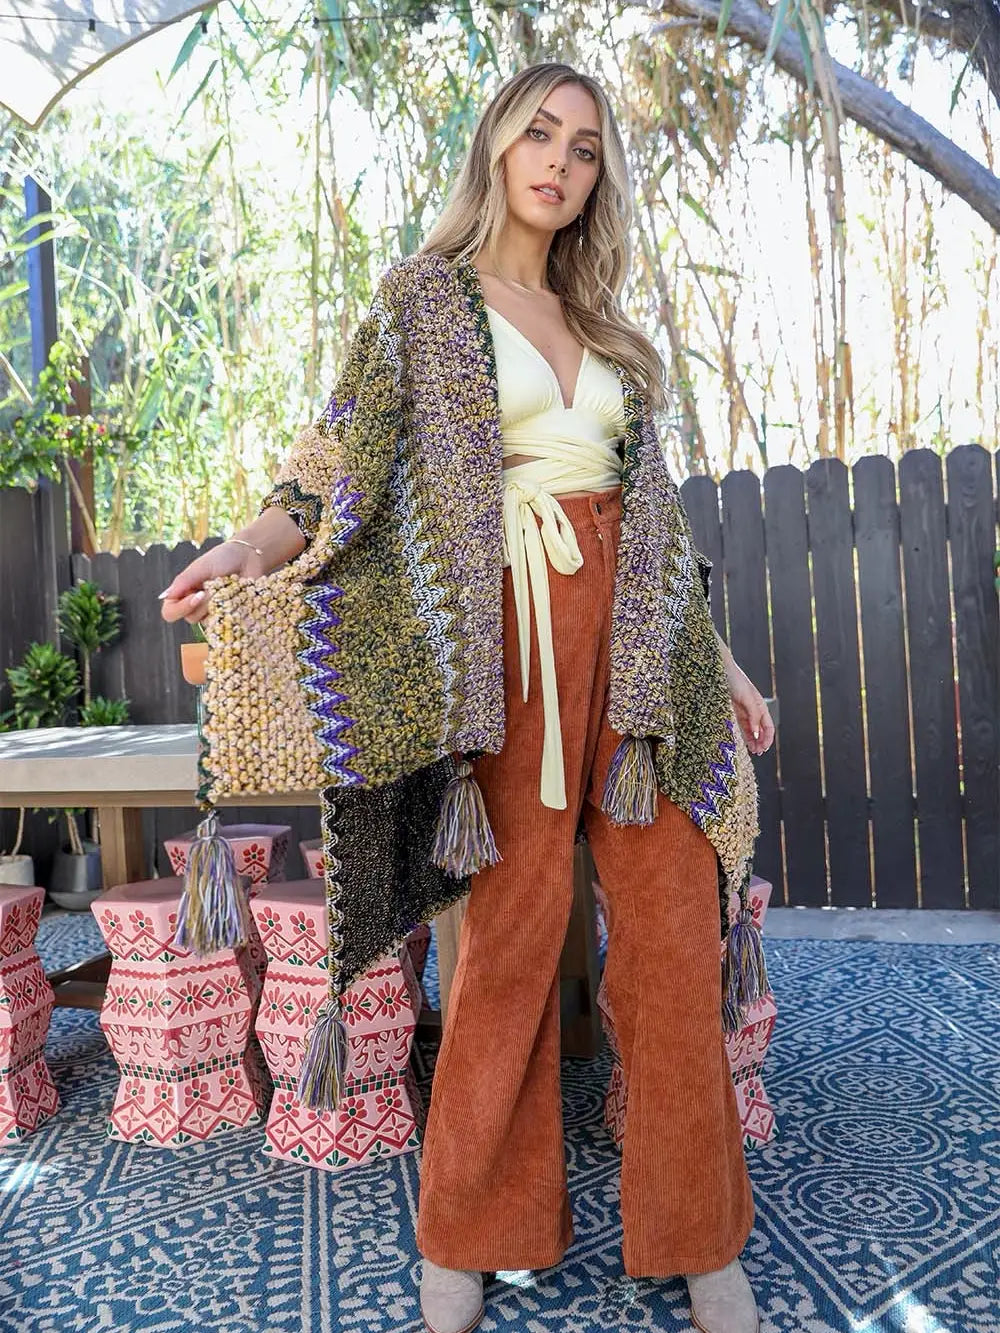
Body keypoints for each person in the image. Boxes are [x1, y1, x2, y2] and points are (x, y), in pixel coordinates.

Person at [161, 61, 774, 1333]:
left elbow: (656, 521)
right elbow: (337, 456)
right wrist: (250, 546)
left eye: (587, 148)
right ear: (496, 145)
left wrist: (719, 660)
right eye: (538, 133)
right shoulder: (422, 305)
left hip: (640, 650)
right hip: (503, 651)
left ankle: (702, 1240)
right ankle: (465, 1236)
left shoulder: (611, 334)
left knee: (669, 940)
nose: (559, 160)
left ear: (600, 179)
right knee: (505, 947)